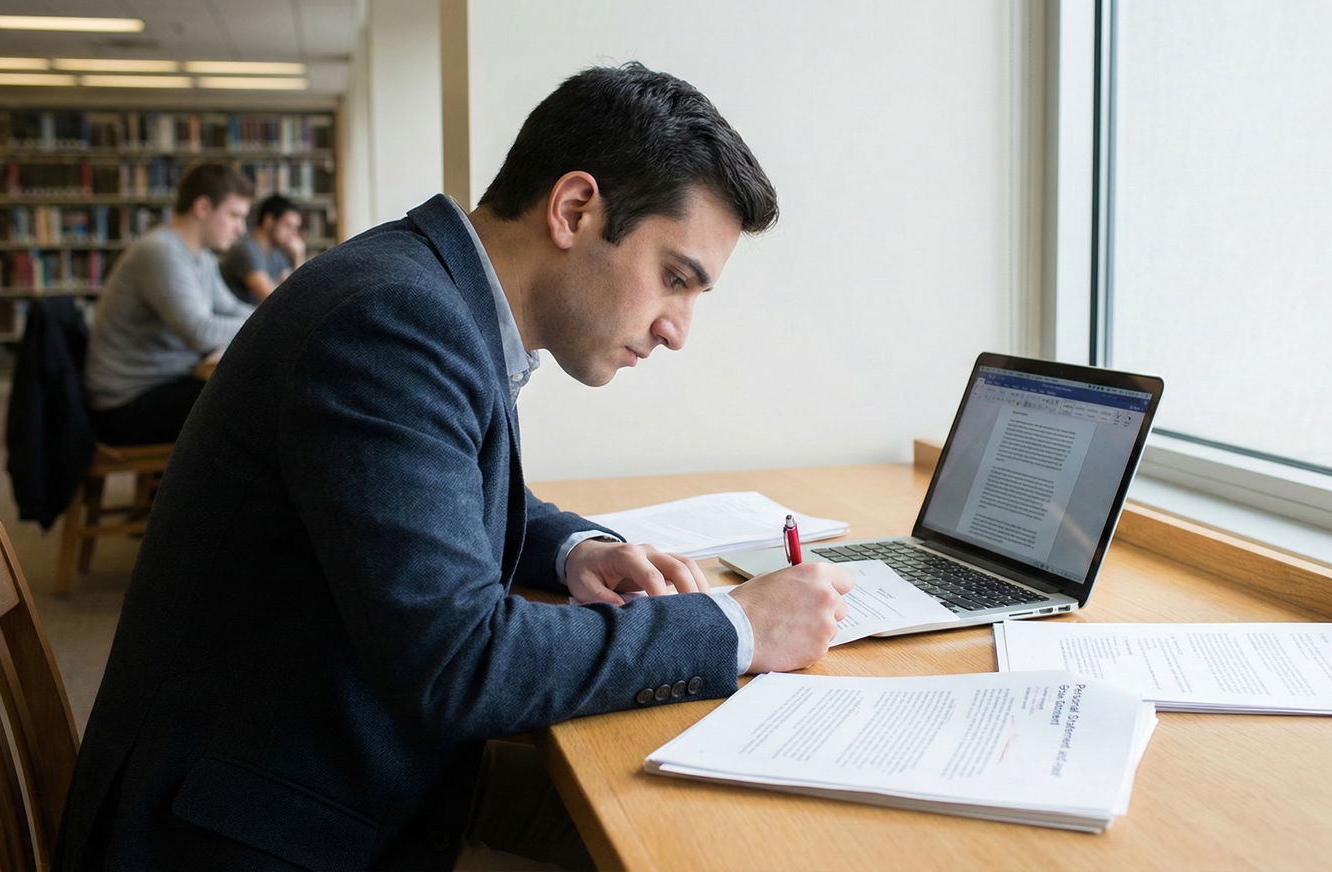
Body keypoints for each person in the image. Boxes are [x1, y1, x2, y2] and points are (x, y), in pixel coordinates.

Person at [54, 63, 854, 872]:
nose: (678, 328)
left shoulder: (428, 291)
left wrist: (576, 551)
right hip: (247, 829)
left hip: (332, 769)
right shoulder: (392, 321)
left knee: (684, 823)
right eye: (674, 279)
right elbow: (458, 661)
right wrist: (739, 626)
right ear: (574, 209)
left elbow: (440, 491)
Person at [82, 163, 254, 445]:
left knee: (250, 397)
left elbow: (231, 308)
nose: (240, 229)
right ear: (202, 208)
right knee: (252, 404)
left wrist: (276, 318)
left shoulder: (201, 256)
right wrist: (271, 325)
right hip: (127, 404)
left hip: (164, 383)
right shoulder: (161, 252)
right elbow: (199, 332)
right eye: (234, 215)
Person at [219, 193, 306, 304]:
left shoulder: (276, 253)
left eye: (296, 228)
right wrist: (298, 257)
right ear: (268, 221)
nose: (293, 234)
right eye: (288, 226)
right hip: (236, 319)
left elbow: (295, 291)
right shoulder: (247, 249)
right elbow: (275, 302)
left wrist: (298, 257)